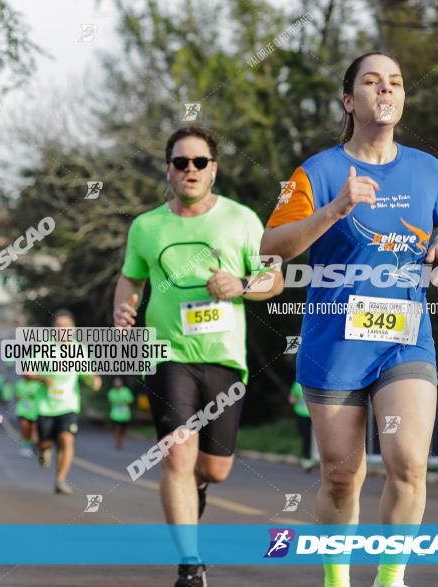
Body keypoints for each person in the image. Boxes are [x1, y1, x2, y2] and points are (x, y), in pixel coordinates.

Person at [260, 52, 438, 587]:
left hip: (404, 336)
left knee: (409, 462)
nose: (386, 90)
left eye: (395, 81)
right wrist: (333, 210)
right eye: (372, 82)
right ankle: (336, 578)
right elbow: (270, 245)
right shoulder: (316, 172)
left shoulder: (428, 168)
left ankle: (390, 579)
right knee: (343, 474)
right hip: (335, 340)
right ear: (350, 101)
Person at [113, 125, 284, 587]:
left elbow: (275, 280)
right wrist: (122, 308)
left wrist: (241, 285)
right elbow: (131, 278)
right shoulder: (146, 226)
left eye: (199, 162)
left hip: (224, 357)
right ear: (168, 169)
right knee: (175, 455)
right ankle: (190, 564)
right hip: (166, 352)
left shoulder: (242, 219)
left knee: (214, 469)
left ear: (214, 169)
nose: (190, 170)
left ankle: (200, 488)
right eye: (181, 162)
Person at [28, 309, 102, 494]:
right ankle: (43, 449)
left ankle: (60, 479)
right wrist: (43, 379)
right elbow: (27, 372)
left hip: (69, 404)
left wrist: (93, 380)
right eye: (59, 327)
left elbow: (87, 373)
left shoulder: (79, 349)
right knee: (46, 443)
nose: (63, 331)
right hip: (46, 405)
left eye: (66, 327)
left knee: (67, 439)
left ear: (73, 329)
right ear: (54, 329)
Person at [287, 380, 314, 471]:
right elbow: (291, 399)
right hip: (301, 415)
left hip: (315, 416)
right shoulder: (297, 384)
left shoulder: (316, 382)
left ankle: (315, 458)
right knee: (306, 437)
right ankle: (306, 458)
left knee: (317, 438)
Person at [14, 375, 40, 458]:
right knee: (24, 427)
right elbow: (17, 397)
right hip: (23, 410)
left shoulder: (37, 384)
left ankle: (34, 445)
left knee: (33, 429)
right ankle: (26, 446)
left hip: (35, 411)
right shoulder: (19, 384)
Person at [107, 377, 133, 450]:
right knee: (117, 429)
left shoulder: (126, 391)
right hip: (115, 415)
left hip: (125, 415)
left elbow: (131, 400)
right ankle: (118, 442)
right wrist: (117, 402)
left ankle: (121, 441)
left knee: (123, 430)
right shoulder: (111, 392)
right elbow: (110, 401)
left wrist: (124, 402)